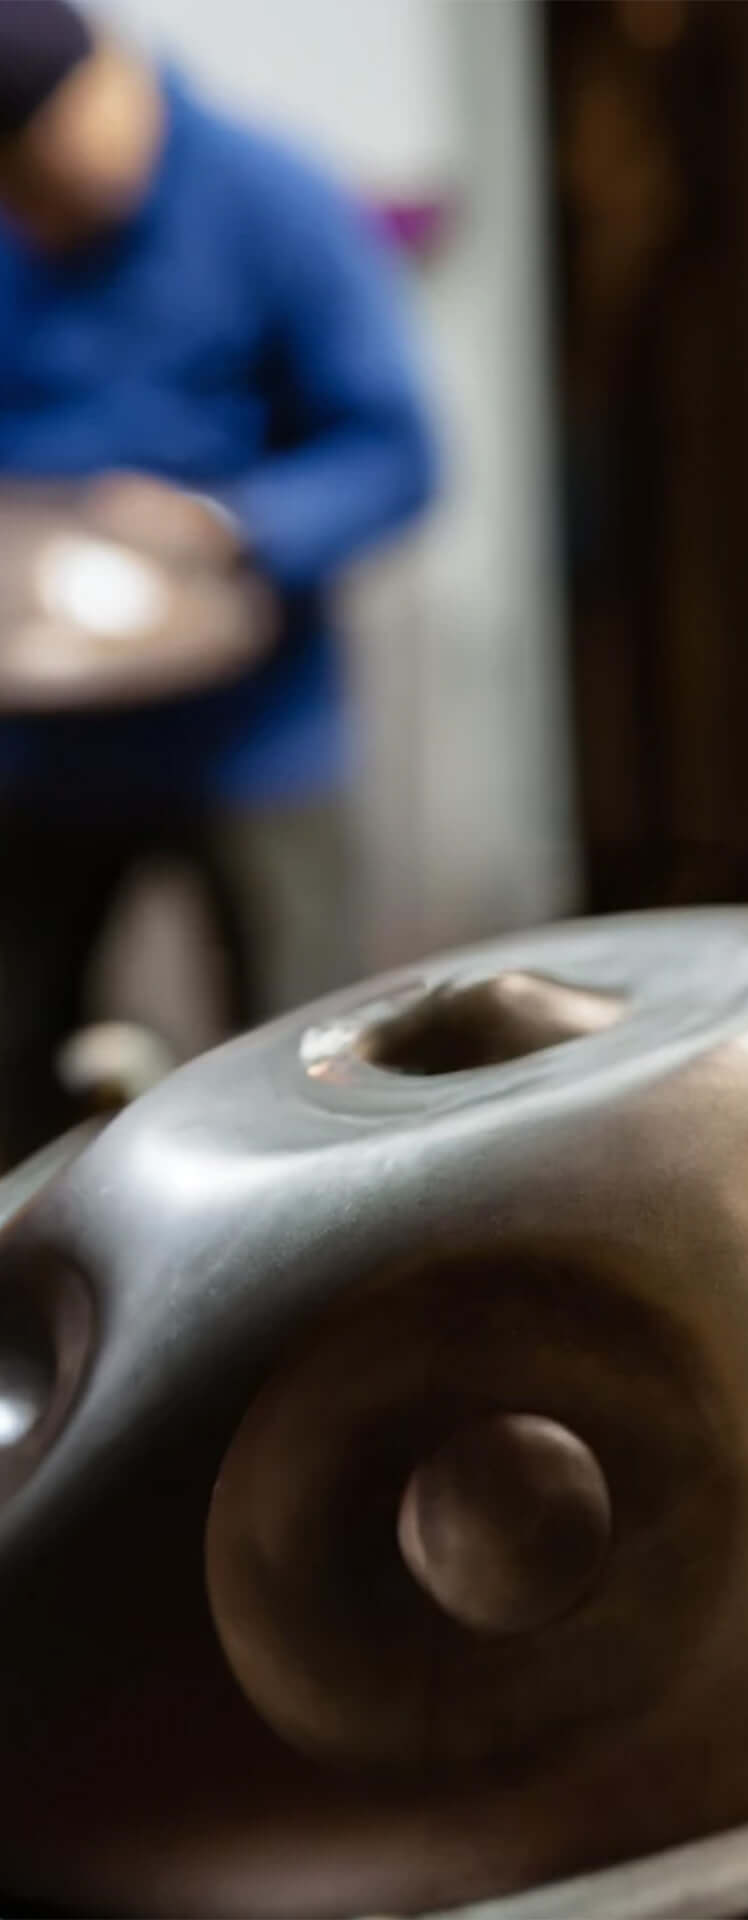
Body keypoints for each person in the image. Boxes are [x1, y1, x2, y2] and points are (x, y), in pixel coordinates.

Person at [0, 0, 436, 1159]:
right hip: (36, 751)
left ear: (110, 89)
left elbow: (395, 453)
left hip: (255, 740)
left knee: (314, 1081)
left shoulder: (274, 201)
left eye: (41, 175)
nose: (36, 217)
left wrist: (232, 525)